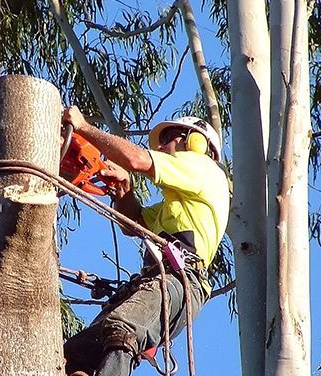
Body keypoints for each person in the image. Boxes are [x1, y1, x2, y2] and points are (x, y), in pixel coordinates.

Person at [61, 105, 230, 376]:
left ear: (195, 142)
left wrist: (83, 127)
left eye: (168, 139)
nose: (161, 147)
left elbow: (138, 159)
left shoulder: (205, 168)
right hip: (156, 280)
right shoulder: (177, 204)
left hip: (180, 281)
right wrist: (124, 190)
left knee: (122, 330)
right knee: (74, 355)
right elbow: (134, 223)